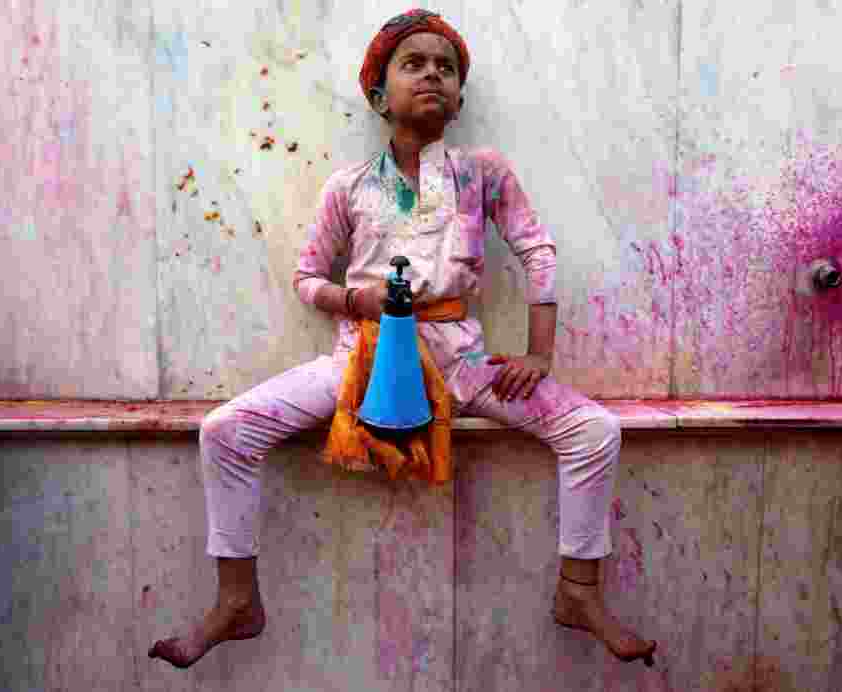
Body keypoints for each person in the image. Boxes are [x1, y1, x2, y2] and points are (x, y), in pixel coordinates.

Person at [149, 8, 657, 670]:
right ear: (379, 96)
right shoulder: (350, 186)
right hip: (362, 359)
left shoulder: (483, 172)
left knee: (593, 431)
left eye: (446, 68)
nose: (432, 76)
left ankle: (578, 590)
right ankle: (237, 599)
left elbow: (538, 251)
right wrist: (350, 300)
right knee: (225, 431)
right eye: (413, 64)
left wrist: (539, 353)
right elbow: (306, 277)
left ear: (460, 98)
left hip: (463, 361)